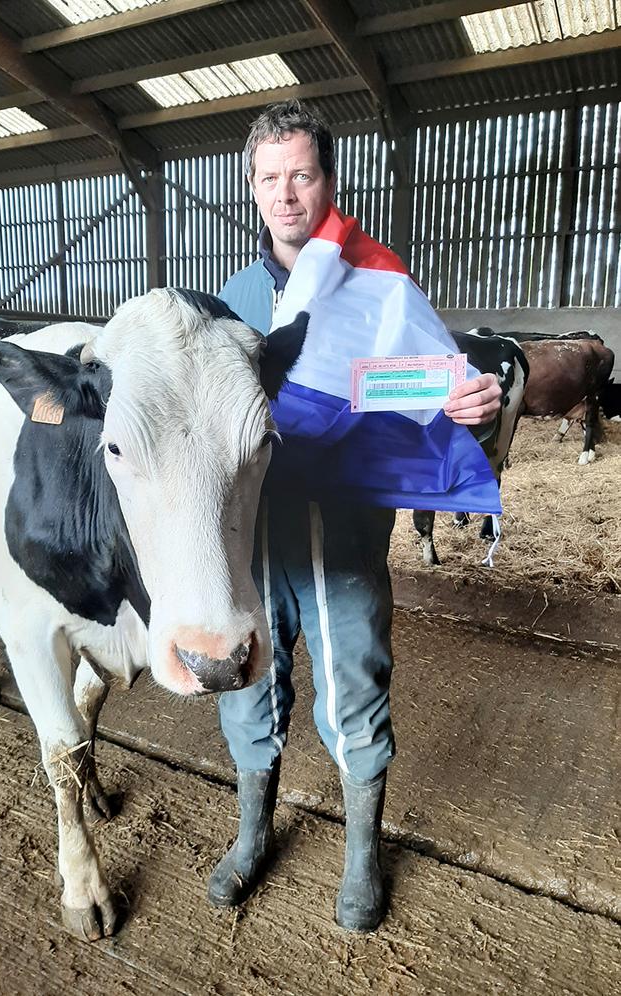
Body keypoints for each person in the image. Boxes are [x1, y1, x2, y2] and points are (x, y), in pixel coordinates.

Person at [208, 100, 502, 932]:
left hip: (340, 533)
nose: (285, 193)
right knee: (247, 679)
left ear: (327, 180)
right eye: (269, 178)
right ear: (252, 187)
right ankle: (250, 833)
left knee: (356, 684)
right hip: (256, 539)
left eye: (300, 174)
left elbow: (418, 388)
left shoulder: (378, 285)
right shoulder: (227, 301)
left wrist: (465, 401)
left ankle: (362, 854)